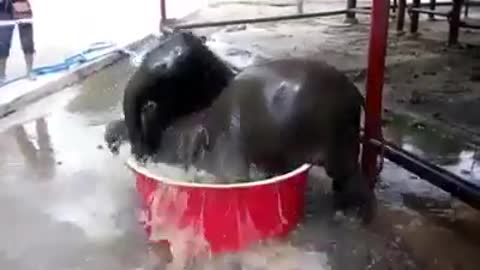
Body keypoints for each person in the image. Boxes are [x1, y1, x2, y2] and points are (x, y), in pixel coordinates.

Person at [0, 0, 35, 83]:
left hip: (22, 7)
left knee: (28, 43)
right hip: (3, 10)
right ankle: (1, 74)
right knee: (3, 43)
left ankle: (30, 71)